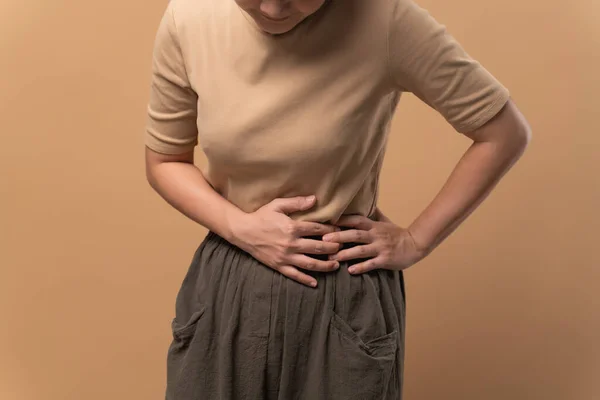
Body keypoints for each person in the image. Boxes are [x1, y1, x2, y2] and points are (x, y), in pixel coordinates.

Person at [144, 0, 531, 398]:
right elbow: (165, 161)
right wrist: (240, 227)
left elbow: (504, 134)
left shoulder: (386, 19)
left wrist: (416, 240)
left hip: (341, 294)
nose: (274, 8)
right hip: (229, 285)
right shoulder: (189, 17)